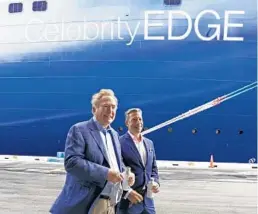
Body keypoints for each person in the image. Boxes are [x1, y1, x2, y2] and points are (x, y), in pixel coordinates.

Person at [50, 89, 135, 214]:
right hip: (88, 203)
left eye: (113, 107)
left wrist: (126, 173)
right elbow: (72, 162)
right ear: (94, 109)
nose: (110, 111)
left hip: (111, 203)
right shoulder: (79, 130)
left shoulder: (114, 135)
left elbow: (114, 163)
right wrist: (106, 173)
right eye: (105, 106)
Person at [118, 108, 160, 214]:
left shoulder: (149, 143)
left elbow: (153, 168)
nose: (138, 122)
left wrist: (156, 183)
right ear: (127, 123)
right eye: (134, 119)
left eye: (140, 119)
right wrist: (127, 193)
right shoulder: (119, 143)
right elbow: (117, 169)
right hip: (129, 201)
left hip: (148, 201)